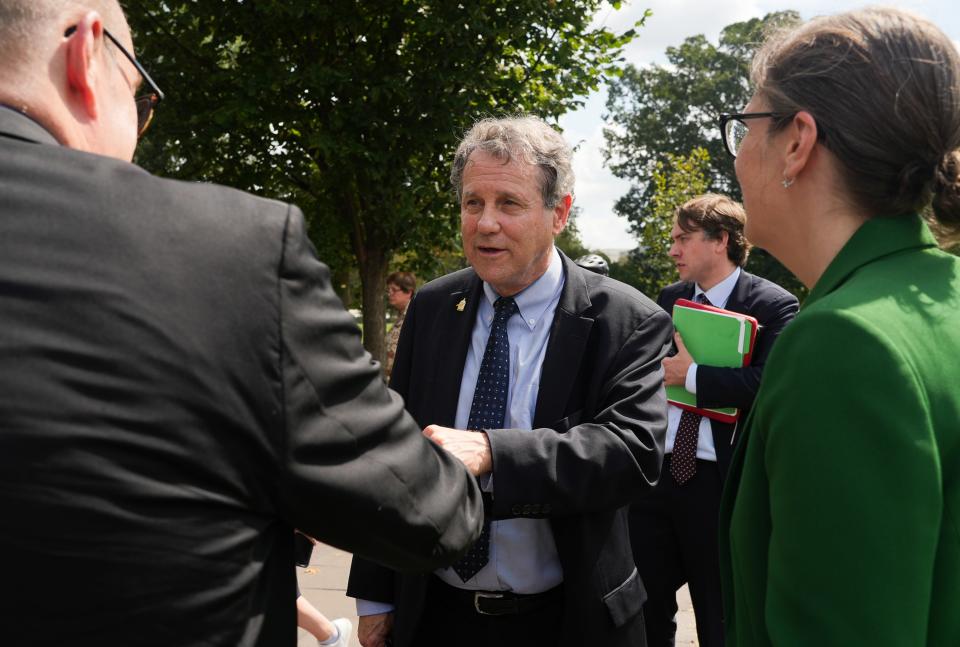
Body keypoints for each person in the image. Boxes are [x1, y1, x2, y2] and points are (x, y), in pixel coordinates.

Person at [0, 2, 483, 645]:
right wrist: (465, 465)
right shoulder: (232, 252)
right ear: (88, 51)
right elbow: (427, 516)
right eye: (141, 95)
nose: (139, 131)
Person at [347, 116, 674, 647]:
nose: (485, 224)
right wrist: (375, 593)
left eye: (510, 204)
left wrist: (493, 451)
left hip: (568, 621)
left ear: (559, 213)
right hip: (435, 615)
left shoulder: (624, 319)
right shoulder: (433, 306)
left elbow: (632, 452)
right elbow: (393, 449)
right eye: (473, 203)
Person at [717, 8, 960, 645]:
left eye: (744, 125)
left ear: (797, 141)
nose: (738, 155)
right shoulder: (941, 296)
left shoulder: (844, 343)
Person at [629, 194, 797, 647]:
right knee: (643, 609)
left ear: (720, 240)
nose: (672, 250)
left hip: (720, 484)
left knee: (718, 614)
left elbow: (770, 384)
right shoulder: (670, 298)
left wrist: (694, 376)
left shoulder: (775, 305)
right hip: (655, 477)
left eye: (682, 239)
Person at [384, 271, 416, 379]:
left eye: (394, 290)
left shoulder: (414, 317)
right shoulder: (401, 317)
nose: (390, 293)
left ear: (408, 292)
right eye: (388, 290)